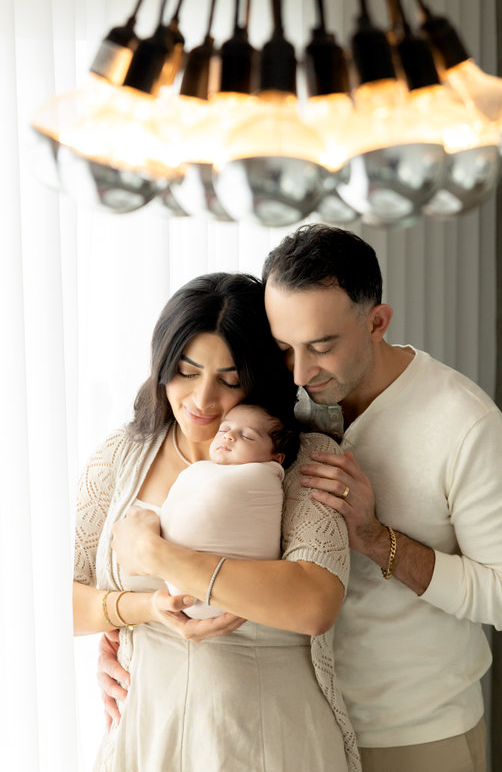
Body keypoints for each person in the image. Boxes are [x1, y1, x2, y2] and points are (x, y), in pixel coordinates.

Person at [260, 224, 502, 772]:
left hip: (414, 738)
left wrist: (374, 538)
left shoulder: (469, 429)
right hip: (298, 726)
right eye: (284, 348)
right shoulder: (285, 397)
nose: (300, 372)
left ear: (377, 322)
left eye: (322, 346)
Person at [73, 272, 360, 772]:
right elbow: (63, 603)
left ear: (260, 380)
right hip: (148, 729)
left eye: (229, 381)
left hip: (268, 732)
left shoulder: (301, 459)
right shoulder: (121, 457)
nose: (203, 401)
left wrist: (159, 556)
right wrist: (146, 607)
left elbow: (315, 602)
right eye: (186, 372)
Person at [159, 402, 300, 618]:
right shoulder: (201, 470)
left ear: (276, 458)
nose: (229, 436)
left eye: (247, 436)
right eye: (224, 430)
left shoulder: (263, 476)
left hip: (230, 591)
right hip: (183, 588)